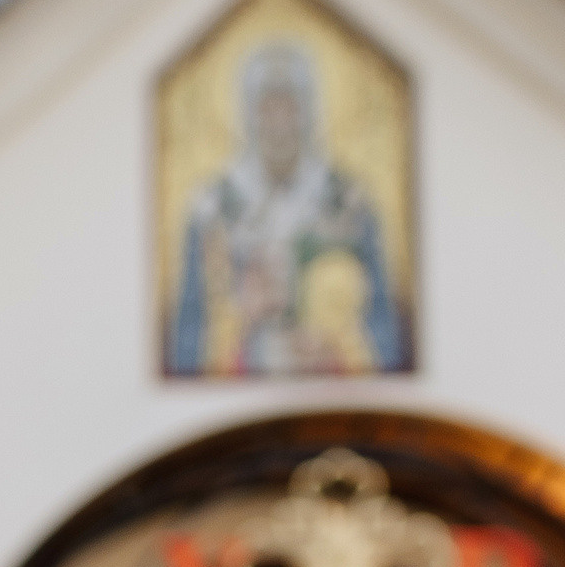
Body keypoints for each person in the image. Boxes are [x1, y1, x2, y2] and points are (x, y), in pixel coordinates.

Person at [167, 35, 409, 377]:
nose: (279, 124)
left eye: (290, 107)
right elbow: (191, 329)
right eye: (267, 108)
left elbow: (380, 322)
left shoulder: (349, 202)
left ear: (309, 112)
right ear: (247, 114)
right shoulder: (213, 208)